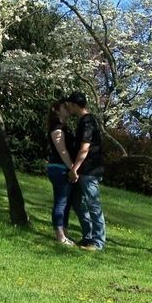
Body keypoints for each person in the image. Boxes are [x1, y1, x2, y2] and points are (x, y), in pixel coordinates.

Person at [65, 91, 106, 251]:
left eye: (69, 105)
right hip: (83, 170)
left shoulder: (88, 121)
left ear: (75, 105)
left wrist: (74, 168)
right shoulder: (83, 121)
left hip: (89, 170)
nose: (68, 108)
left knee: (93, 205)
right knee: (78, 203)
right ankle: (88, 237)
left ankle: (98, 242)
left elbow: (85, 148)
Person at [46, 99, 77, 246]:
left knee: (66, 203)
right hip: (59, 168)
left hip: (63, 167)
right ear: (57, 110)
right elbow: (62, 151)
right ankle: (60, 236)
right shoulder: (57, 128)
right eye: (65, 107)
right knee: (61, 202)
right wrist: (72, 168)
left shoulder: (64, 127)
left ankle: (64, 233)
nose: (69, 108)